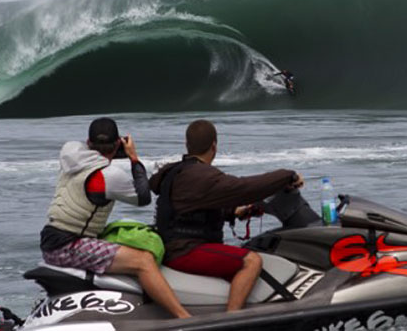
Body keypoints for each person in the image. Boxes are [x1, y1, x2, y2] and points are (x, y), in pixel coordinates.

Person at [40, 117, 191, 319]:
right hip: (69, 245)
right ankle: (184, 317)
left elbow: (88, 152)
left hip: (52, 238)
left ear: (88, 142)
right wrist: (134, 159)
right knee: (143, 261)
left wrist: (112, 152)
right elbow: (143, 197)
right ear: (117, 144)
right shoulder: (108, 175)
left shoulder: (70, 155)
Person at [150, 119, 304, 312]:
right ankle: (232, 320)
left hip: (175, 245)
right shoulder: (201, 176)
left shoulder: (178, 171)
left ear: (187, 145)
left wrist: (234, 212)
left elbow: (190, 207)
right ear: (214, 146)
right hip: (184, 250)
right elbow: (244, 188)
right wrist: (287, 176)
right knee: (251, 261)